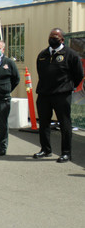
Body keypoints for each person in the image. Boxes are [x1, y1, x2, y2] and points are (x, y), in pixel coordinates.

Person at [33, 28, 84, 162]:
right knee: (43, 123)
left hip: (62, 95)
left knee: (64, 124)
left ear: (62, 39)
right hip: (44, 94)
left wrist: (68, 87)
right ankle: (45, 149)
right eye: (51, 36)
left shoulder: (70, 54)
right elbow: (40, 72)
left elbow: (79, 75)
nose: (52, 38)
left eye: (55, 36)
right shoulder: (42, 54)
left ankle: (66, 153)